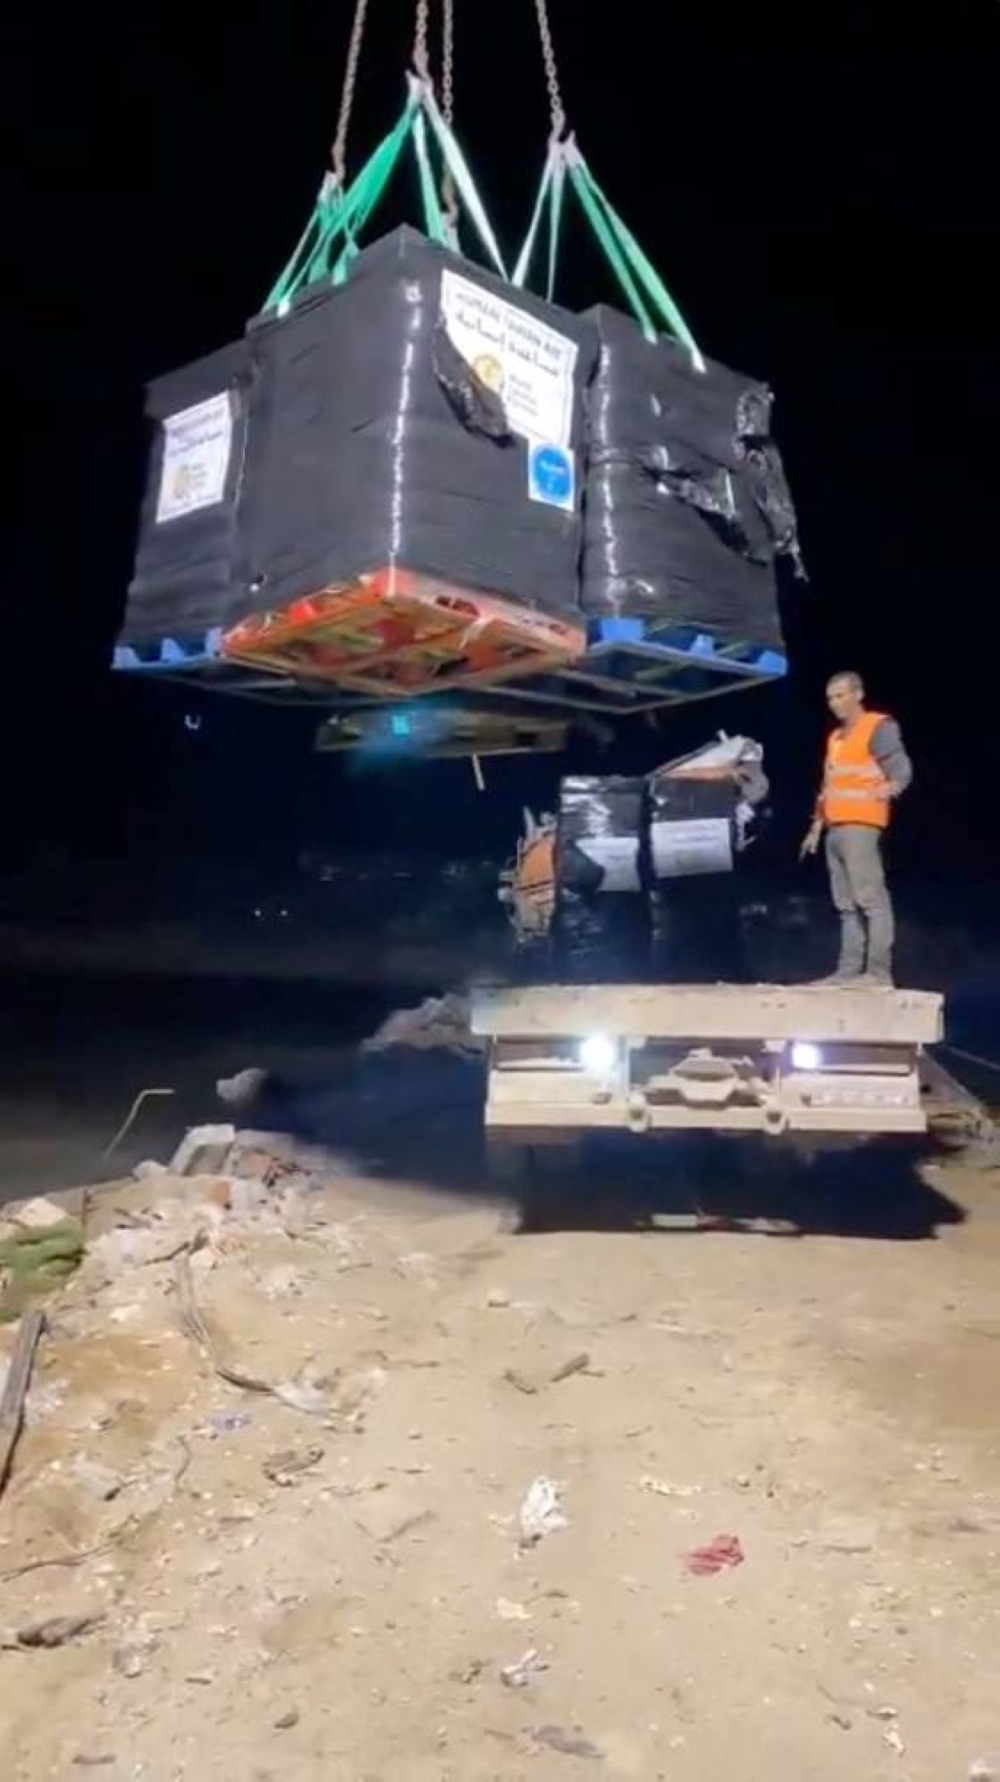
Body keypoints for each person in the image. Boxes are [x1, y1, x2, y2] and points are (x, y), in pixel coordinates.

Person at [800, 671, 912, 985]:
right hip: (835, 826)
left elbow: (900, 767)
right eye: (830, 698)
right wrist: (816, 826)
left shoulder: (876, 726)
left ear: (858, 694)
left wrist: (892, 787)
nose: (835, 703)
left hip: (861, 824)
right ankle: (848, 971)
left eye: (840, 695)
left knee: (870, 898)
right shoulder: (836, 738)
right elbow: (829, 785)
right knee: (846, 904)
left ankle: (878, 972)